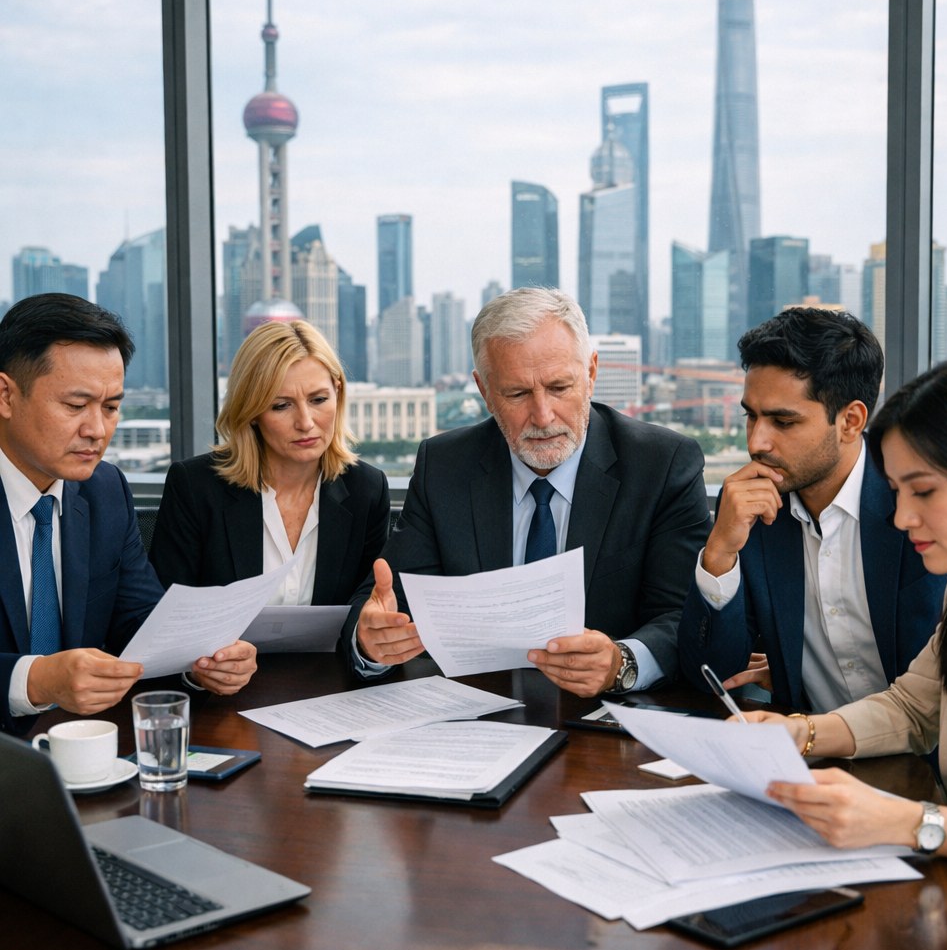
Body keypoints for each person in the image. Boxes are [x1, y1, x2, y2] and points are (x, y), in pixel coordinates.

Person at [740, 356, 947, 950]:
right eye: (896, 492)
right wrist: (801, 733)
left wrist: (913, 823)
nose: (901, 518)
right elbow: (911, 706)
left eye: (924, 491)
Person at [345, 287, 713, 697]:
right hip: (478, 715)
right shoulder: (445, 466)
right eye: (517, 394)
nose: (542, 415)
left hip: (608, 723)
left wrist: (621, 662)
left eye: (559, 387)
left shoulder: (662, 464)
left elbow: (682, 616)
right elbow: (387, 600)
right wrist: (371, 640)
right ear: (484, 391)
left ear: (591, 373)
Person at [0, 294, 255, 738]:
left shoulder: (104, 490)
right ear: (5, 395)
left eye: (112, 407)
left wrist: (202, 663)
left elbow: (141, 622)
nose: (97, 430)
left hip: (88, 753)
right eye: (75, 406)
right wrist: (36, 680)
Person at [677, 308, 947, 711]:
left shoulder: (920, 504)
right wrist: (719, 554)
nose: (757, 443)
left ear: (851, 421)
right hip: (810, 757)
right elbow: (707, 674)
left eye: (783, 422)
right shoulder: (754, 514)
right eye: (751, 416)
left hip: (929, 764)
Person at [149, 320, 389, 667]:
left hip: (328, 691)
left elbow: (364, 609)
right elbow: (165, 617)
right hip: (221, 696)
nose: (306, 422)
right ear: (252, 411)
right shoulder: (195, 486)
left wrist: (371, 642)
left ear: (338, 391)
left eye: (319, 399)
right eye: (281, 405)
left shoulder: (367, 489)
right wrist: (198, 671)